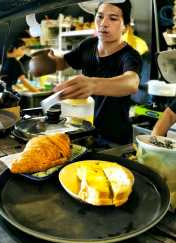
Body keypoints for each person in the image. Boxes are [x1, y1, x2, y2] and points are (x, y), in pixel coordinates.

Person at [48, 0, 142, 144]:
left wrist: (93, 84)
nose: (104, 23)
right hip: (84, 131)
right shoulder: (88, 45)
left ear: (125, 26)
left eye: (113, 18)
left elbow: (131, 82)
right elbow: (63, 62)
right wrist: (50, 60)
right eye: (100, 16)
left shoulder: (129, 55)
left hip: (113, 138)